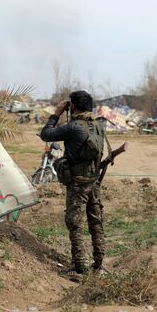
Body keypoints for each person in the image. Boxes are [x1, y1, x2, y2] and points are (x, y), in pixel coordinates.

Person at [39, 90, 107, 277]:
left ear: (74, 106)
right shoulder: (99, 125)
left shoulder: (74, 126)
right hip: (94, 181)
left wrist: (56, 113)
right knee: (96, 221)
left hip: (78, 183)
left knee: (75, 224)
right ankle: (99, 265)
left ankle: (80, 267)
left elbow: (46, 134)